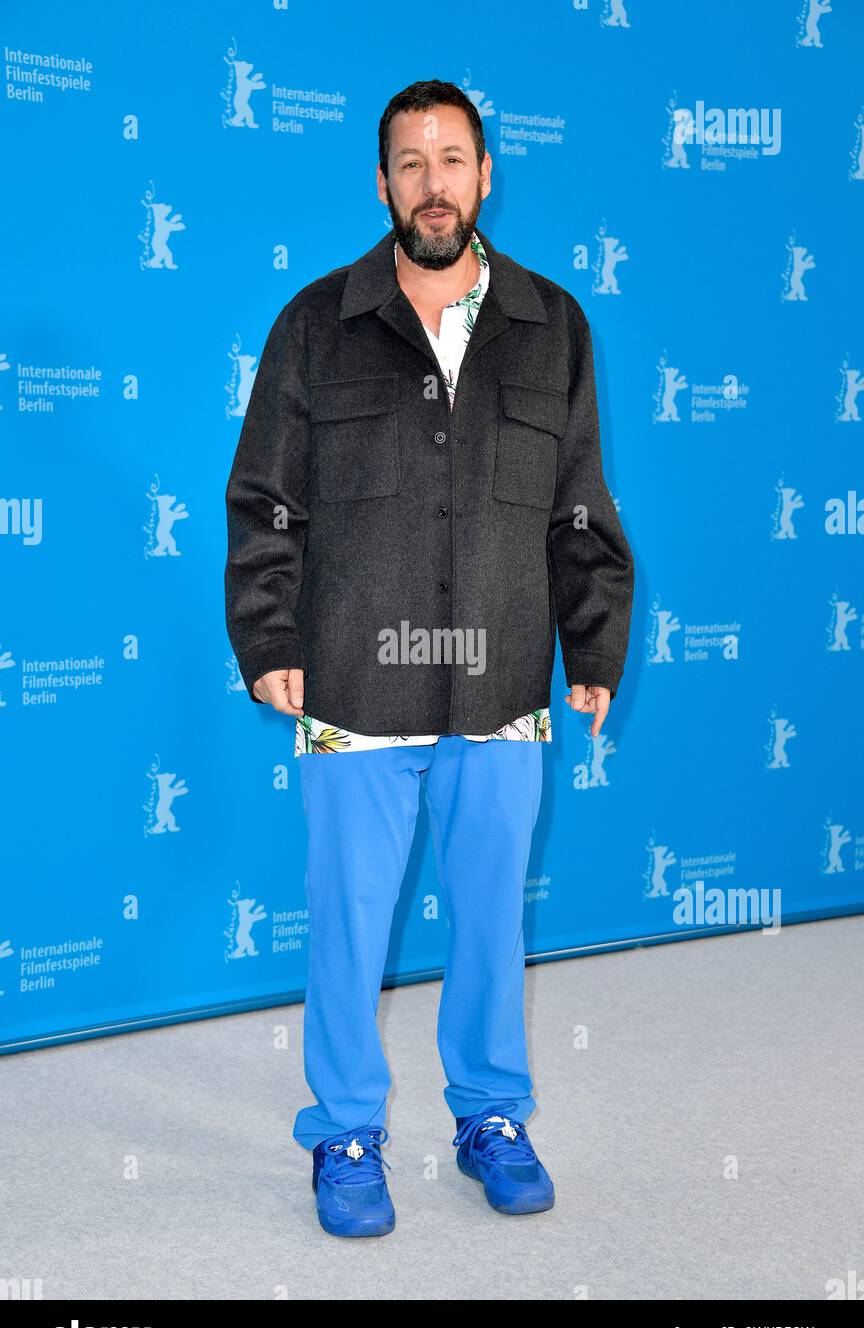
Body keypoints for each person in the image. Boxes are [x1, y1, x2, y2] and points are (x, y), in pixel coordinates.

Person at [224, 78, 635, 1238]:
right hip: (358, 678)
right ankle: (347, 1131)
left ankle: (491, 1114)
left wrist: (591, 640)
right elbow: (266, 502)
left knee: (495, 917)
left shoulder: (554, 325)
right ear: (382, 183)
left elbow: (578, 506)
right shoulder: (317, 323)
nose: (433, 183)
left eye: (452, 159)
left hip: (502, 682)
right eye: (410, 162)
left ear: (485, 174)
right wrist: (270, 637)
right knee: (350, 924)